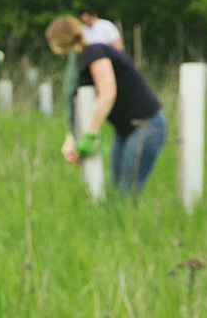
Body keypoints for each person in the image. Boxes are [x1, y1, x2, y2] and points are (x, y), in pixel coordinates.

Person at [46, 15, 166, 193]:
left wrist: (90, 134)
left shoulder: (95, 53)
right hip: (124, 129)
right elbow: (81, 104)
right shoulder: (81, 62)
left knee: (127, 192)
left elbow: (108, 93)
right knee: (115, 192)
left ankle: (129, 221)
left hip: (146, 125)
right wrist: (72, 137)